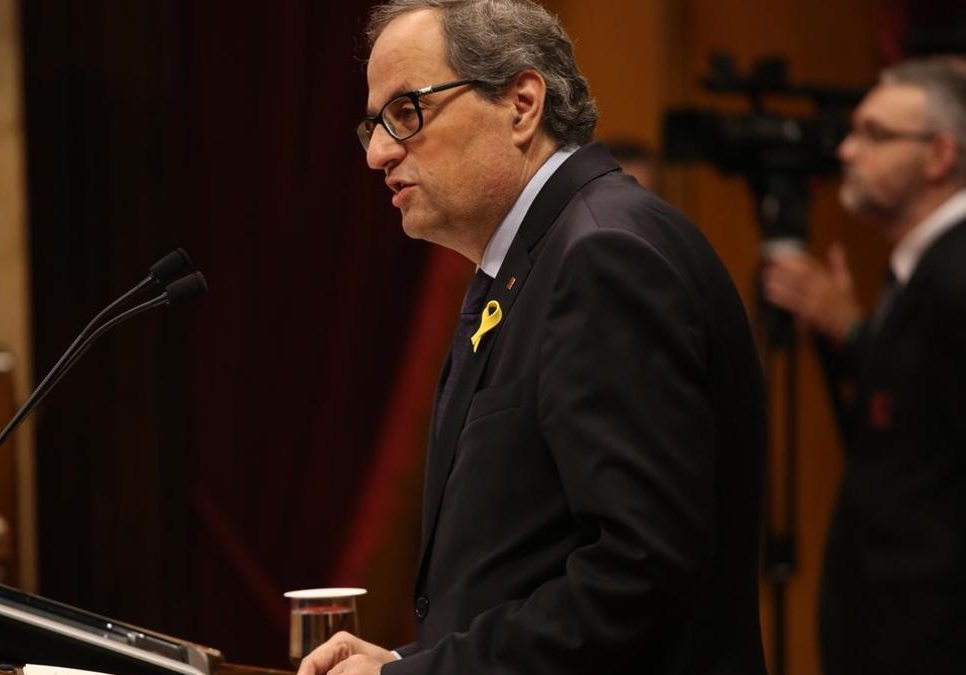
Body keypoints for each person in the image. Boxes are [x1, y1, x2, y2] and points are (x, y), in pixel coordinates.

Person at [299, 1, 767, 673]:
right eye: (373, 125)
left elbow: (640, 574)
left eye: (406, 112)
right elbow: (526, 563)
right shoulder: (533, 261)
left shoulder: (603, 256)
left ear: (521, 103)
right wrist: (408, 658)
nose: (378, 153)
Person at [762, 57, 966, 675]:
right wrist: (853, 333)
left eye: (874, 135)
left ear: (938, 156)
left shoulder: (956, 279)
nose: (847, 150)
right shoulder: (922, 271)